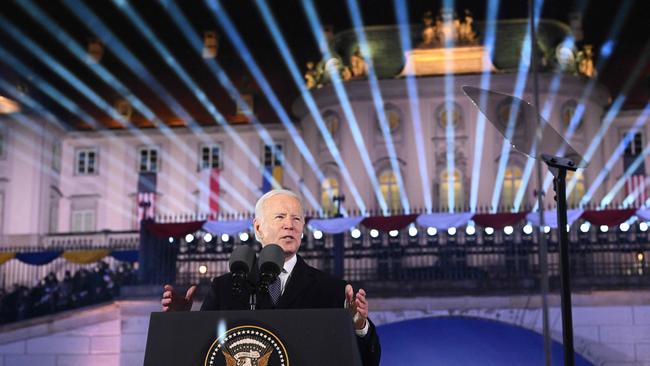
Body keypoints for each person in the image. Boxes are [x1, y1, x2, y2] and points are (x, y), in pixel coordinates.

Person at [162, 189, 381, 366]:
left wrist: (358, 325)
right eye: (280, 217)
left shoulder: (332, 290)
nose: (290, 224)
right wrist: (179, 323)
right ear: (258, 227)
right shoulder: (225, 287)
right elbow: (203, 354)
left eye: (297, 218)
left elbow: (367, 361)